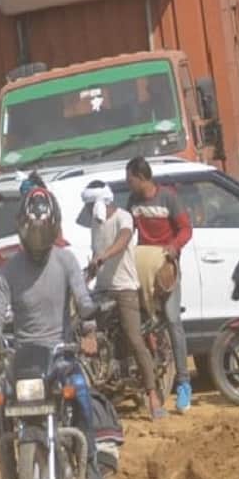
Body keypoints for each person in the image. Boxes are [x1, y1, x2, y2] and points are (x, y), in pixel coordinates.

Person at [0, 186, 104, 479]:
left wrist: (89, 334)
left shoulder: (66, 261)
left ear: (54, 228)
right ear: (21, 229)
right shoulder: (9, 269)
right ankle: (9, 470)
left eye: (43, 233)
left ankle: (90, 463)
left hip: (59, 354)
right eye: (30, 233)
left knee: (84, 396)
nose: (36, 242)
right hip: (23, 357)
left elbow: (82, 297)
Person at [82, 180, 164, 420]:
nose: (87, 212)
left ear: (98, 203)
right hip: (103, 288)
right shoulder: (95, 226)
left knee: (134, 338)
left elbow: (124, 239)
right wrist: (89, 273)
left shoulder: (123, 217)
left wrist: (104, 256)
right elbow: (96, 257)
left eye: (89, 207)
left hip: (126, 288)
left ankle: (153, 397)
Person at [126, 156, 194, 413]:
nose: (128, 183)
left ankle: (185, 384)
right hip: (143, 270)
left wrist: (173, 248)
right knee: (144, 324)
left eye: (130, 178)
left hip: (166, 271)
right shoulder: (133, 203)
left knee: (173, 320)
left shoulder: (168, 198)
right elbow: (128, 231)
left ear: (141, 178)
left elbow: (186, 229)